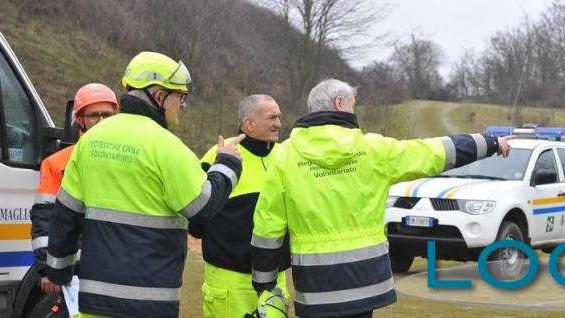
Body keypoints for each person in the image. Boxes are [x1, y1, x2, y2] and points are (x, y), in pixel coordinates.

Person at [251, 78, 512, 317]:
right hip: (366, 283)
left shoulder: (284, 157)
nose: (355, 111)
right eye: (353, 104)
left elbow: (267, 224)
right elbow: (431, 153)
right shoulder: (372, 149)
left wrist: (264, 282)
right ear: (340, 103)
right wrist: (487, 143)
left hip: (315, 287)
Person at [45, 51, 245, 317]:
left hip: (94, 302)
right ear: (159, 96)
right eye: (180, 96)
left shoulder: (90, 142)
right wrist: (226, 164)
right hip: (150, 302)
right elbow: (202, 209)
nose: (182, 105)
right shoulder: (168, 147)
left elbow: (65, 216)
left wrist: (58, 272)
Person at [194, 94, 290, 318]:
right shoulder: (221, 154)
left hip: (275, 280)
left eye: (279, 117)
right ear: (249, 123)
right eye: (272, 117)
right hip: (230, 281)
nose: (279, 123)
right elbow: (196, 216)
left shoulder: (286, 157)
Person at [30, 83, 119, 317]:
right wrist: (46, 268)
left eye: (108, 115)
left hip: (120, 268)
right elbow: (44, 219)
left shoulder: (129, 161)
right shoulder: (56, 164)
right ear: (79, 119)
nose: (102, 121)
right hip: (75, 272)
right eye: (94, 115)